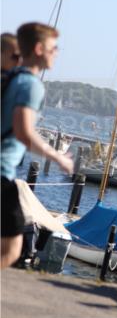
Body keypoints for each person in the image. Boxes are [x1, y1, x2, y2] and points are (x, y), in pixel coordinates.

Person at [1, 23, 73, 268]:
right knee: (11, 250)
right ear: (40, 49)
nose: (57, 53)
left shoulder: (8, 77)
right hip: (1, 174)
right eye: (54, 48)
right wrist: (58, 157)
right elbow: (23, 132)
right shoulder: (31, 84)